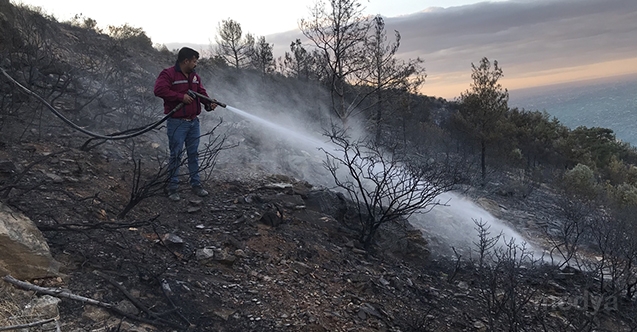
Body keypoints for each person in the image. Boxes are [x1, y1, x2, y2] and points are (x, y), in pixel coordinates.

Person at [154, 47, 217, 201]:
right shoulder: (168, 74)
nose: (196, 64)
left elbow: (201, 93)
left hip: (193, 123)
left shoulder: (195, 77)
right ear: (186, 61)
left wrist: (209, 104)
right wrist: (179, 97)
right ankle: (173, 188)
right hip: (177, 123)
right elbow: (159, 90)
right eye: (194, 61)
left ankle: (196, 185)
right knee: (176, 155)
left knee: (193, 154)